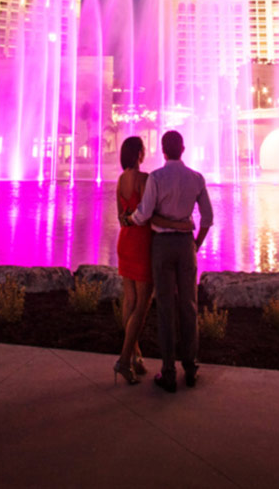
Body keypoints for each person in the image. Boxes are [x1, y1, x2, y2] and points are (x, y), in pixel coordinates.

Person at [126, 129, 213, 393]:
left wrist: (129, 218)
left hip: (162, 246)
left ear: (162, 151)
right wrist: (195, 244)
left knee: (165, 307)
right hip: (186, 246)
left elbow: (144, 214)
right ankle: (190, 368)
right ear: (183, 149)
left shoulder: (156, 177)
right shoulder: (196, 178)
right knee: (189, 306)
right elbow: (208, 218)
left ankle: (168, 372)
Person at [113, 136, 193, 384]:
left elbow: (122, 218)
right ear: (138, 154)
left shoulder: (120, 181)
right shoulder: (144, 179)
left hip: (124, 242)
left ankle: (136, 358)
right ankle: (124, 361)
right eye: (143, 151)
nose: (145, 154)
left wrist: (129, 219)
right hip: (141, 245)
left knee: (130, 301)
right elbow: (152, 218)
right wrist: (180, 224)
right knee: (143, 304)